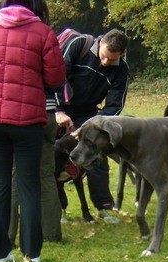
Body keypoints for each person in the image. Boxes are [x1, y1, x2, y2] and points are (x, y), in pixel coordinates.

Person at [0, 0, 66, 262]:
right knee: (29, 185)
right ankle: (33, 254)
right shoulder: (43, 33)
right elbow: (55, 79)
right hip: (29, 121)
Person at [55, 28, 129, 224]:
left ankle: (103, 208)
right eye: (104, 57)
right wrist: (57, 111)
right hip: (60, 108)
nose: (105, 63)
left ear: (121, 55)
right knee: (52, 159)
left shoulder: (122, 70)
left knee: (96, 156)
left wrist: (91, 125)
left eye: (111, 60)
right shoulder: (79, 45)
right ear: (100, 44)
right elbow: (57, 76)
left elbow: (114, 105)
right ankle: (57, 210)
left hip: (89, 114)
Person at [9, 89, 63, 244]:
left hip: (13, 109)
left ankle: (6, 234)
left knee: (11, 175)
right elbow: (58, 78)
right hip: (45, 110)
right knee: (45, 175)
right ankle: (50, 234)